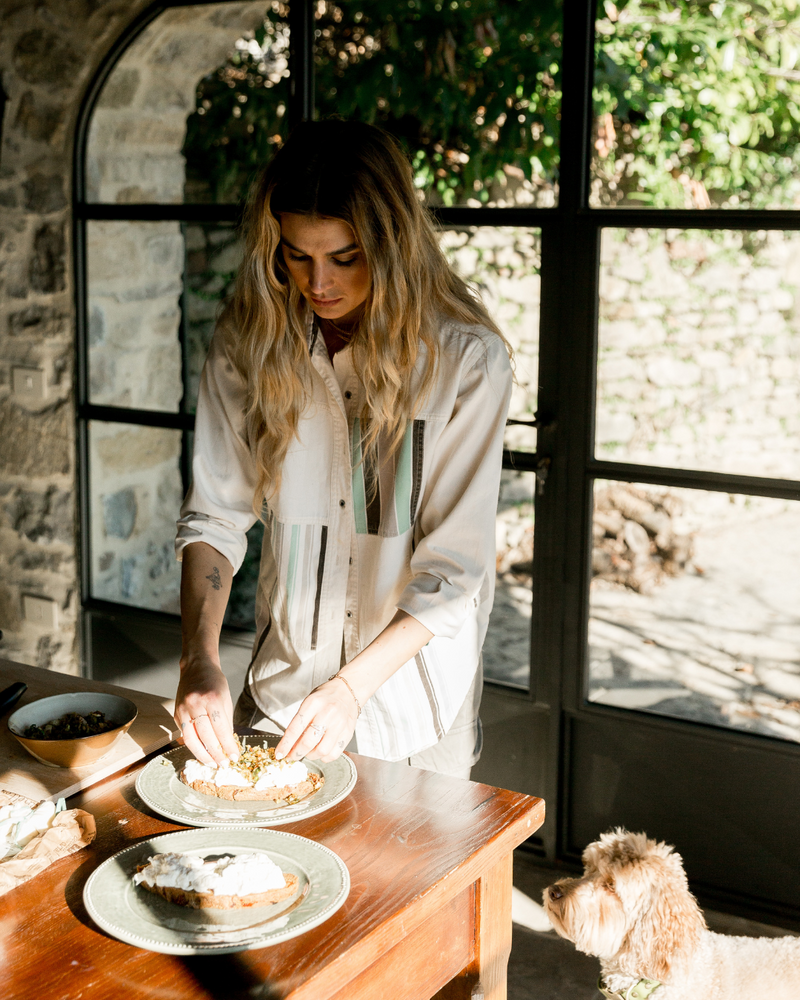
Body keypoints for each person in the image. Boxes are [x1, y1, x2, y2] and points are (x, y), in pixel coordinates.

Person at [174, 119, 513, 780]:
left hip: (419, 712)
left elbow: (453, 568)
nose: (317, 283)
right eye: (297, 255)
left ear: (390, 247)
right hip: (282, 697)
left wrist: (353, 689)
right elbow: (214, 517)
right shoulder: (249, 344)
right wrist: (199, 659)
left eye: (344, 257)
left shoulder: (466, 361)